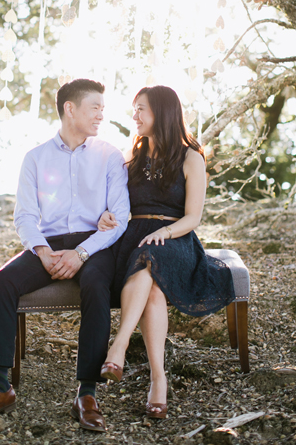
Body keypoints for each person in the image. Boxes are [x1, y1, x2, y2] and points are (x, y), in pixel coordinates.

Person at [0, 78, 130, 432]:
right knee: (3, 281)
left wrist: (81, 253)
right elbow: (23, 216)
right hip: (47, 242)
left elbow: (120, 217)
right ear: (70, 108)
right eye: (94, 107)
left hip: (93, 242)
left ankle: (87, 393)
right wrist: (42, 250)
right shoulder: (35, 158)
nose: (102, 114)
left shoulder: (110, 156)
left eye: (103, 107)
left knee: (98, 285)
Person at [95, 85, 235, 419]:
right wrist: (104, 214)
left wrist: (164, 232)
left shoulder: (190, 157)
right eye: (134, 109)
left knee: (152, 259)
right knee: (152, 285)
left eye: (141, 109)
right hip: (134, 238)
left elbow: (193, 216)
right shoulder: (131, 158)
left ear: (163, 112)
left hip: (175, 238)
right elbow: (112, 203)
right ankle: (159, 379)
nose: (135, 116)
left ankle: (120, 346)